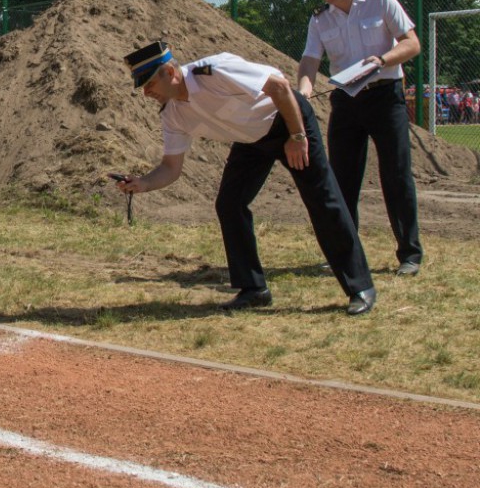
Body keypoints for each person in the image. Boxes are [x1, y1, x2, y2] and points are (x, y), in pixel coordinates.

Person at [115, 41, 377, 315]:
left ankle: (360, 287)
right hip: (251, 140)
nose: (146, 93)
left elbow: (279, 86)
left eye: (149, 83)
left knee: (322, 199)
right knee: (230, 204)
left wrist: (297, 137)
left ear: (170, 72)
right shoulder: (172, 114)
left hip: (287, 120)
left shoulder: (214, 71)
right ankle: (253, 289)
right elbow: (171, 167)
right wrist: (142, 183)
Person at [296, 0, 423, 277]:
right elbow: (310, 60)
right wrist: (304, 90)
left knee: (396, 174)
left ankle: (409, 254)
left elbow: (412, 43)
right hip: (346, 100)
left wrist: (383, 60)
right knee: (342, 180)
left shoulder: (381, 2)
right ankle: (344, 254)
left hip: (385, 96)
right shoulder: (319, 19)